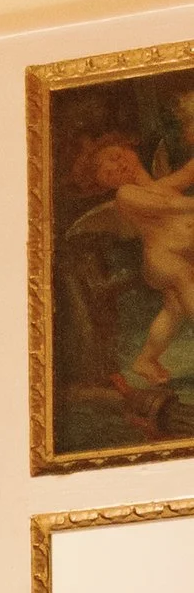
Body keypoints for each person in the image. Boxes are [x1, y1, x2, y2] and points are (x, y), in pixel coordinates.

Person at [69, 131, 194, 395]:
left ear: (129, 147)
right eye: (109, 173)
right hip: (163, 259)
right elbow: (170, 206)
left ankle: (145, 360)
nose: (118, 167)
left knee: (173, 310)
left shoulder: (160, 184)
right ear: (105, 186)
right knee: (186, 281)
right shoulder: (126, 195)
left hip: (182, 252)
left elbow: (187, 173)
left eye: (116, 156)